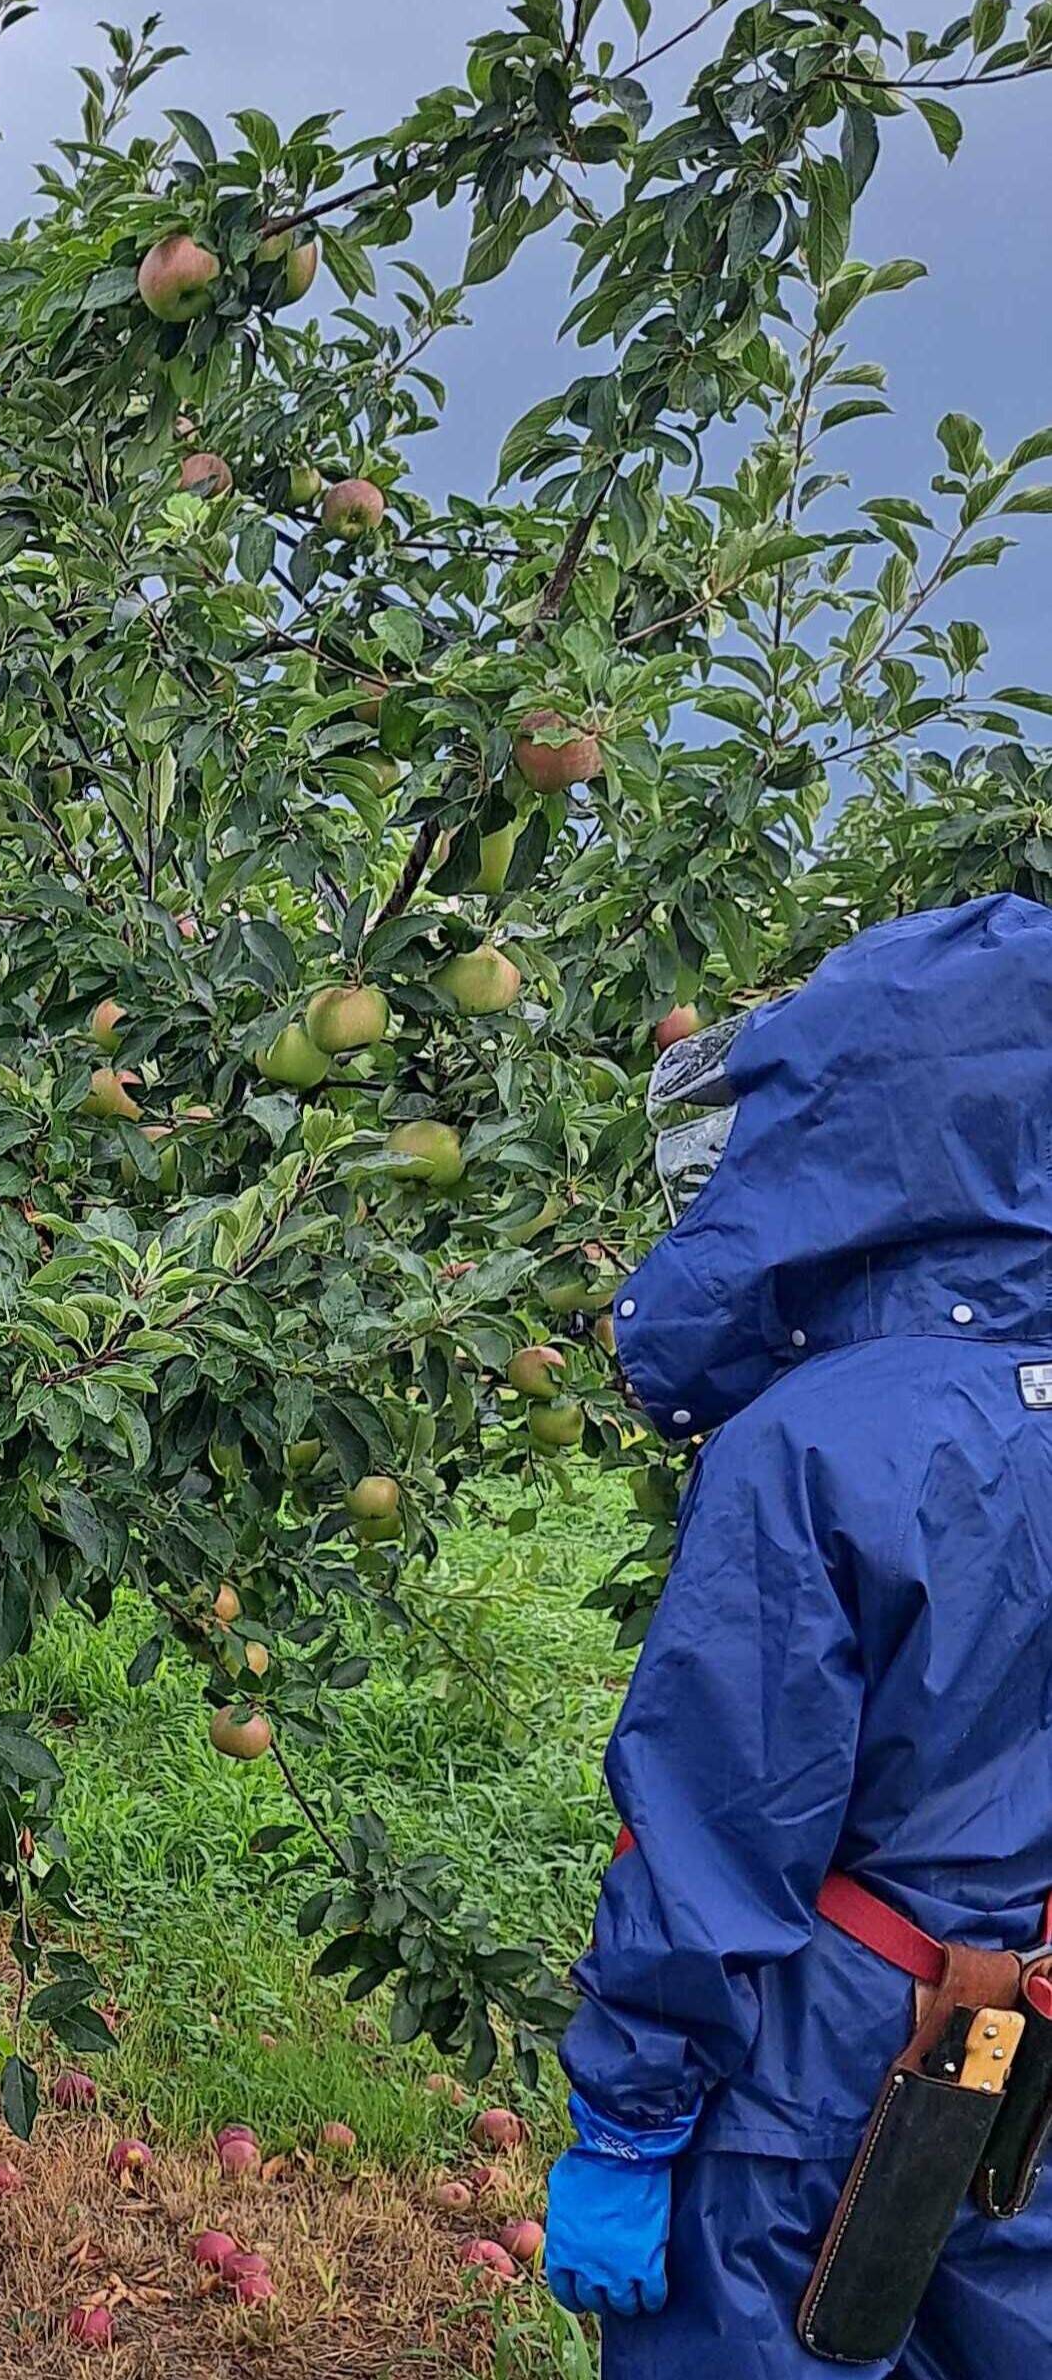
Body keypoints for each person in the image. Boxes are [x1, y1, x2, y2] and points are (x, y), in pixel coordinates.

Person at [549, 892, 1052, 2372]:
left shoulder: (817, 1446)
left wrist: (630, 2124)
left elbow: (715, 1833)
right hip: (1024, 2048)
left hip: (819, 2074)